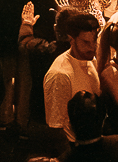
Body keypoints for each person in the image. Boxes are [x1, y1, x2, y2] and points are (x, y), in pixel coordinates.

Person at [42, 10, 102, 142]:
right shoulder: (60, 74)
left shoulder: (91, 60)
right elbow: (56, 128)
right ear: (71, 39)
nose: (92, 47)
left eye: (94, 41)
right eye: (86, 42)